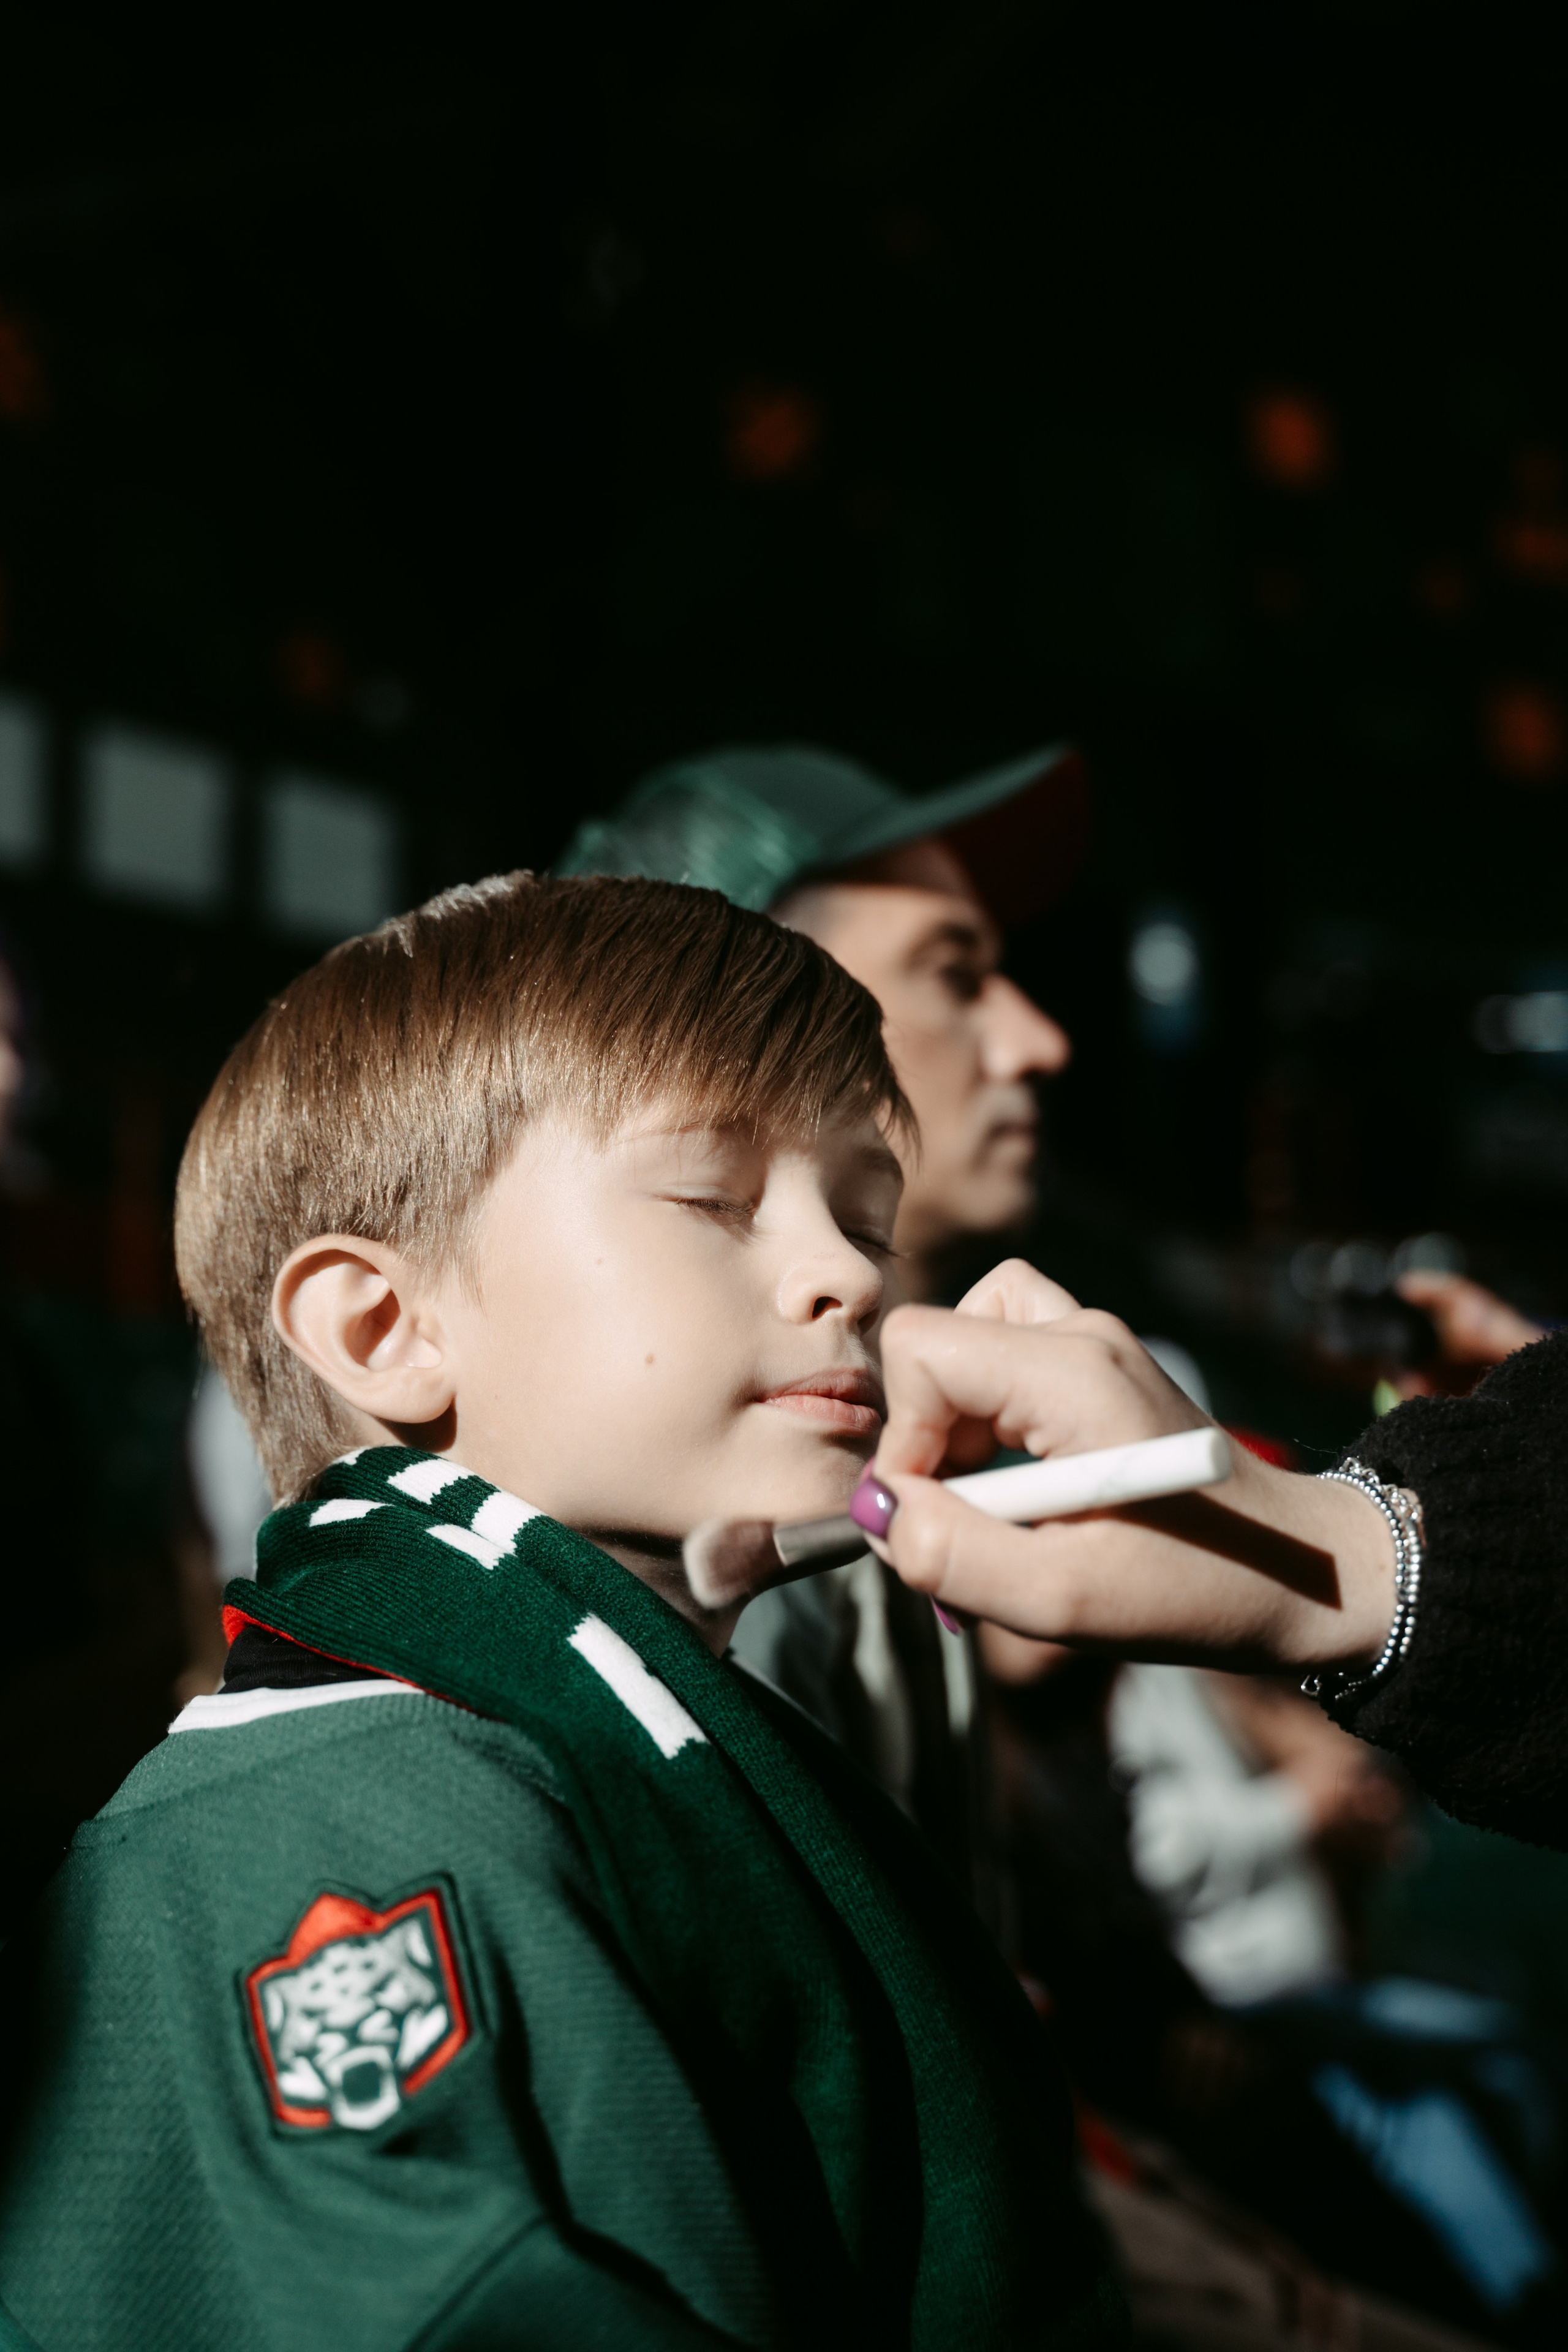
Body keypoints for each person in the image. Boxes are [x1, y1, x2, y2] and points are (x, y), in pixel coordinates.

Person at [0, 878, 1120, 2352]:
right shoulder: (313, 1823)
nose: (846, 1272)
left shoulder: (588, 1742)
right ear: (385, 1330)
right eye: (716, 1197)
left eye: (862, 1210)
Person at [556, 742, 1080, 1894]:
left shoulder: (875, 1437)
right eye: (954, 973)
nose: (1039, 1042)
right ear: (731, 998)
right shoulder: (713, 1495)